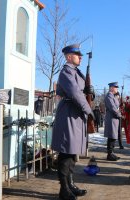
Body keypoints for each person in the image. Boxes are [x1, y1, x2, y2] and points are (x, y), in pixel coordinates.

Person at [52, 44, 94, 200]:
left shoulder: (77, 72)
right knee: (66, 152)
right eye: (77, 55)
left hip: (76, 114)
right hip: (69, 113)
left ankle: (70, 185)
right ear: (69, 56)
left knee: (72, 152)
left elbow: (82, 91)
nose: (80, 57)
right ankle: (64, 189)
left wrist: (91, 92)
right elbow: (75, 93)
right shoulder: (66, 72)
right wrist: (88, 110)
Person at [104, 82, 122, 161]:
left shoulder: (113, 96)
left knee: (113, 136)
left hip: (115, 119)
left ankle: (111, 153)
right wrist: (119, 115)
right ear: (111, 88)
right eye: (116, 87)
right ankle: (110, 154)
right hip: (112, 118)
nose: (117, 89)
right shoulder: (109, 96)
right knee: (111, 136)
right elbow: (112, 108)